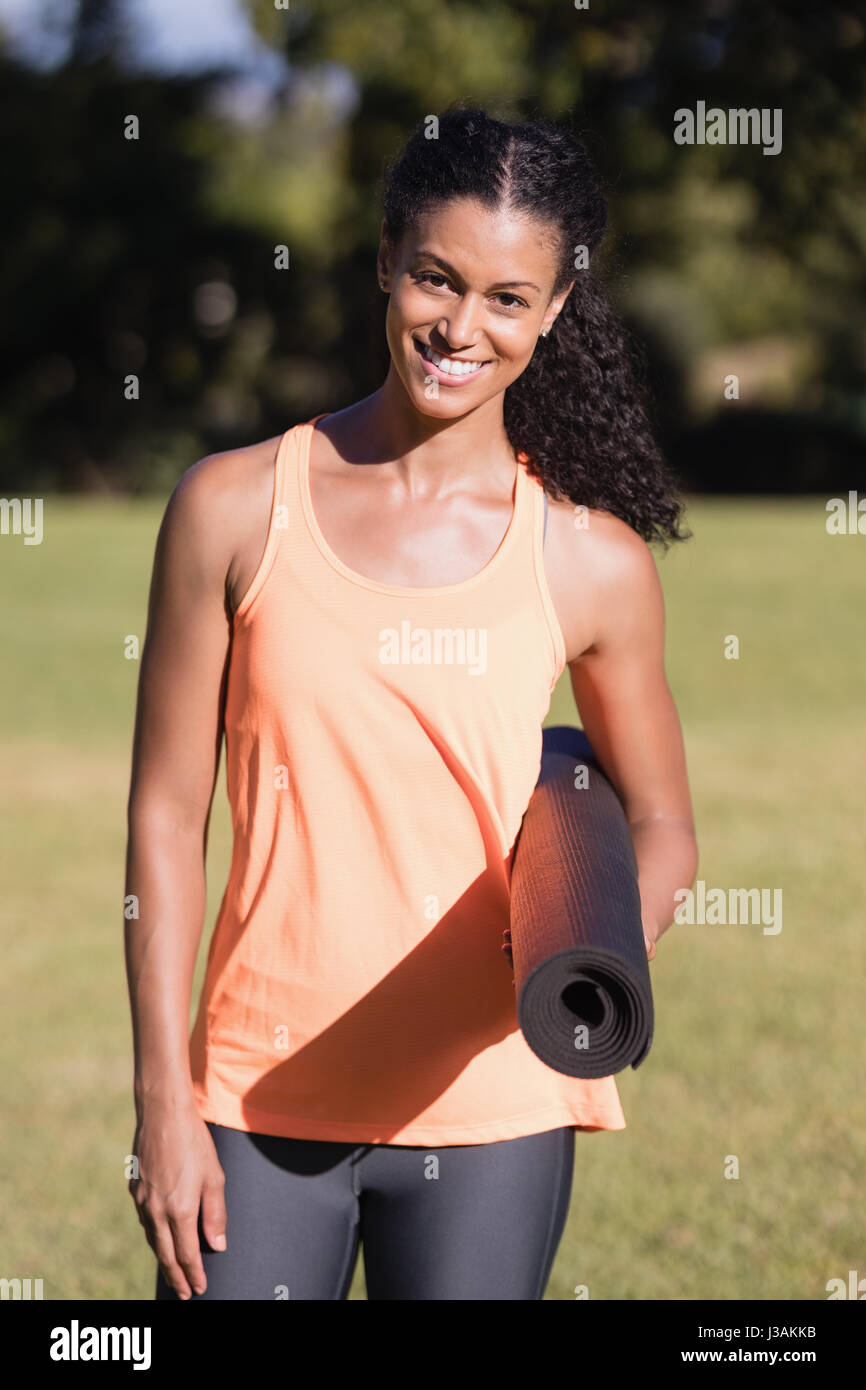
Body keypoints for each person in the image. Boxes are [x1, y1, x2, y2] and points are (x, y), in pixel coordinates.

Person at [124, 105, 699, 1302]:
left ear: (550, 313)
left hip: (490, 1107)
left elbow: (660, 824)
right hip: (253, 1095)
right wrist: (164, 1107)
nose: (460, 326)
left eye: (505, 298)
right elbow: (165, 821)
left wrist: (588, 959)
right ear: (385, 259)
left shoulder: (587, 558)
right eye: (436, 278)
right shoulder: (230, 509)